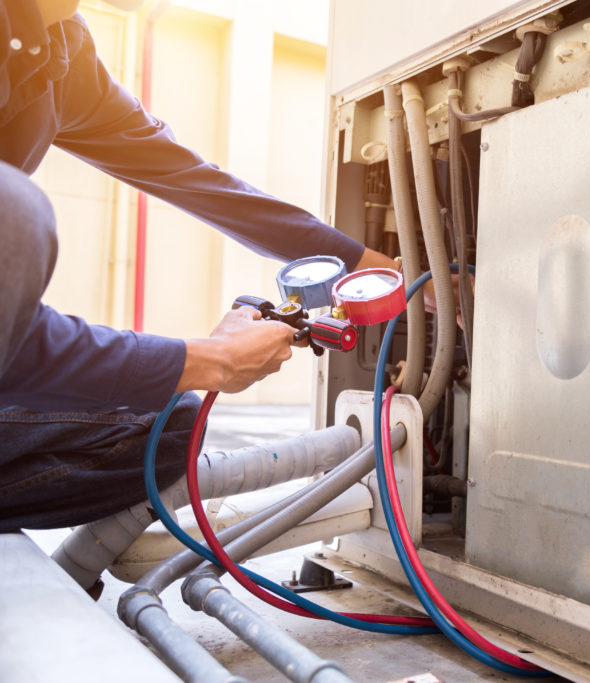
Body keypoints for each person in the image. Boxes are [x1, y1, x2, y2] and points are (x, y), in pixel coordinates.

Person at [0, 0, 398, 532]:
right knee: (17, 214)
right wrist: (208, 360)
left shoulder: (60, 48)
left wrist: (364, 262)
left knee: (165, 428)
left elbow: (196, 181)